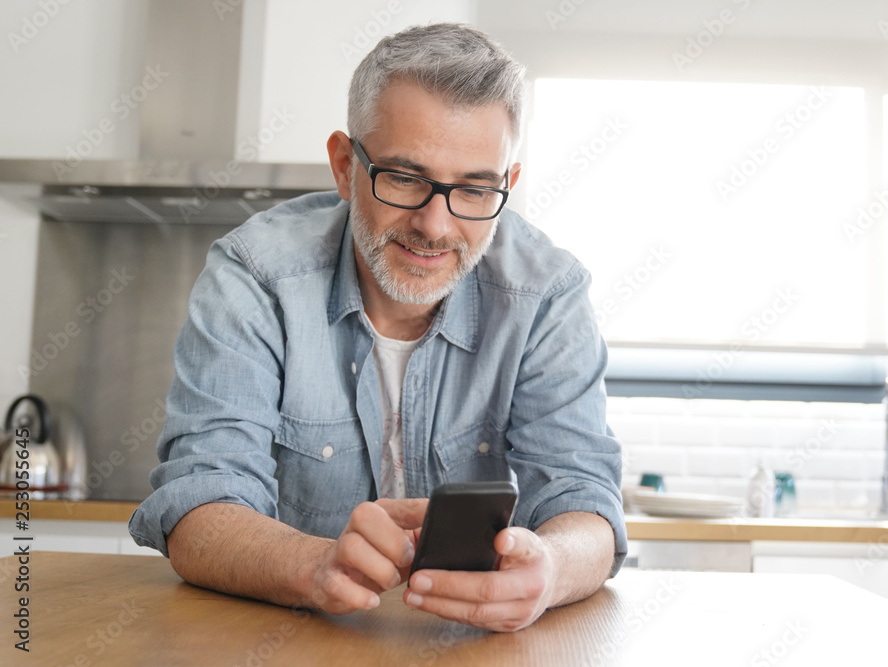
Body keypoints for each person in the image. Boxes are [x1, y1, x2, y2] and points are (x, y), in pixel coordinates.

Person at [129, 22, 626, 633]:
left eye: (474, 188)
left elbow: (585, 502)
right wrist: (315, 565)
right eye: (405, 178)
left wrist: (549, 567)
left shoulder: (547, 294)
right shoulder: (255, 277)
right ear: (344, 166)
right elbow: (200, 499)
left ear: (507, 185)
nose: (436, 226)